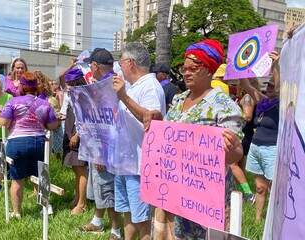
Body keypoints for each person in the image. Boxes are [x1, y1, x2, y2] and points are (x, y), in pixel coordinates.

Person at [150, 39, 244, 239]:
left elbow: (233, 155)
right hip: (174, 192)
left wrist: (234, 149)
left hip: (204, 202)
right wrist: (159, 124)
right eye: (184, 68)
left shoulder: (224, 106)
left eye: (193, 68)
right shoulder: (178, 100)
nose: (186, 72)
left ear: (209, 70)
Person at [112, 42, 166, 240]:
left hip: (141, 166)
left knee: (142, 220)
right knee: (128, 214)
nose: (119, 67)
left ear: (130, 63)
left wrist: (123, 97)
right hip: (125, 164)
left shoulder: (150, 87)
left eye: (121, 62)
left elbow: (151, 119)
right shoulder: (132, 87)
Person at [0, 71, 59, 218]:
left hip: (17, 142)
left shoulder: (12, 102)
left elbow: (3, 123)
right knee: (40, 176)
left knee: (17, 179)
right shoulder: (45, 104)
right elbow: (53, 125)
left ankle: (17, 212)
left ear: (23, 86)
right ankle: (45, 208)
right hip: (38, 142)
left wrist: (0, 117)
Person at [79, 48, 122, 240]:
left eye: (91, 65)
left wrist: (100, 153)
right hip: (100, 145)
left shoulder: (109, 86)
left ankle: (116, 230)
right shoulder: (111, 82)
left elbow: (107, 125)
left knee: (107, 187)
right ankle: (97, 220)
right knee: (98, 185)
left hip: (106, 148)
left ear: (95, 66)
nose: (89, 68)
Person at [241, 51, 280, 222]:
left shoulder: (281, 104)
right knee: (259, 187)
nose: (269, 88)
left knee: (274, 188)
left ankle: (276, 221)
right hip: (256, 147)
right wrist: (241, 67)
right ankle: (258, 220)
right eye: (267, 85)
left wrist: (275, 65)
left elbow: (279, 86)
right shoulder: (263, 101)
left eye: (271, 86)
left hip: (271, 149)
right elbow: (247, 86)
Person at [62, 66, 88, 215]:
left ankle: (82, 203)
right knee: (75, 168)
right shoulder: (71, 94)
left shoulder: (83, 95)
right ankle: (77, 197)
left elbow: (85, 118)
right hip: (69, 130)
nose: (67, 86)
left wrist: (77, 134)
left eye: (70, 83)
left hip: (78, 134)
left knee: (80, 169)